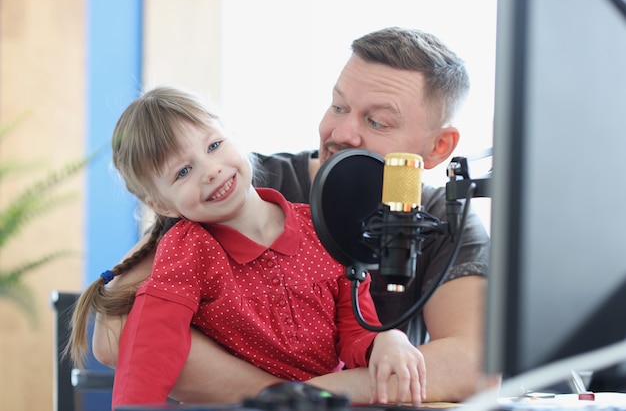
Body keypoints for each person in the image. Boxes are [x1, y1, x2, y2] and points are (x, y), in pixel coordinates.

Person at [91, 26, 491, 403]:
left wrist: (309, 396)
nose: (342, 133)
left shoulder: (445, 216)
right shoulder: (223, 194)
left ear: (440, 146)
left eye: (376, 121)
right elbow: (116, 333)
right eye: (338, 106)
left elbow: (475, 365)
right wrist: (290, 400)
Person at [69, 86, 427, 408]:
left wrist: (386, 341)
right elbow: (152, 344)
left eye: (213, 146)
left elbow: (356, 332)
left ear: (235, 137)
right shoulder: (187, 248)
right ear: (163, 206)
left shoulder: (322, 229)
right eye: (182, 172)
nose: (210, 170)